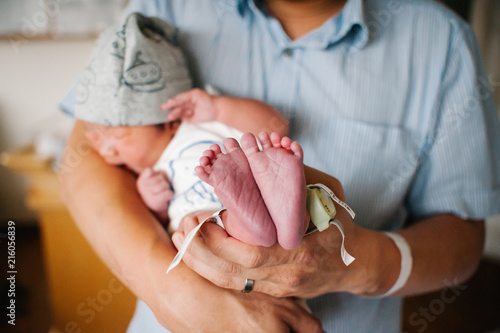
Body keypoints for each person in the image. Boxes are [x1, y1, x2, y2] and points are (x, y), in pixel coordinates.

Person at [58, 0, 500, 332]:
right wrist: (174, 294)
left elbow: (461, 238)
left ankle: (274, 211)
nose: (110, 144)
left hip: (320, 299)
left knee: (245, 226)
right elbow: (83, 160)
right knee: (232, 224)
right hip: (188, 287)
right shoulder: (163, 10)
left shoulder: (439, 42)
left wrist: (355, 265)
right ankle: (274, 210)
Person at [77, 12, 308, 250]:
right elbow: (157, 225)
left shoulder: (202, 120)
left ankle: (282, 209)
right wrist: (155, 205)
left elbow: (277, 125)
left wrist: (218, 109)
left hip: (251, 210)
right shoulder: (151, 178)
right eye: (101, 144)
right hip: (209, 232)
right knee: (197, 227)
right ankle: (276, 221)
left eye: (118, 134)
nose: (108, 152)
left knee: (218, 223)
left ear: (169, 120)